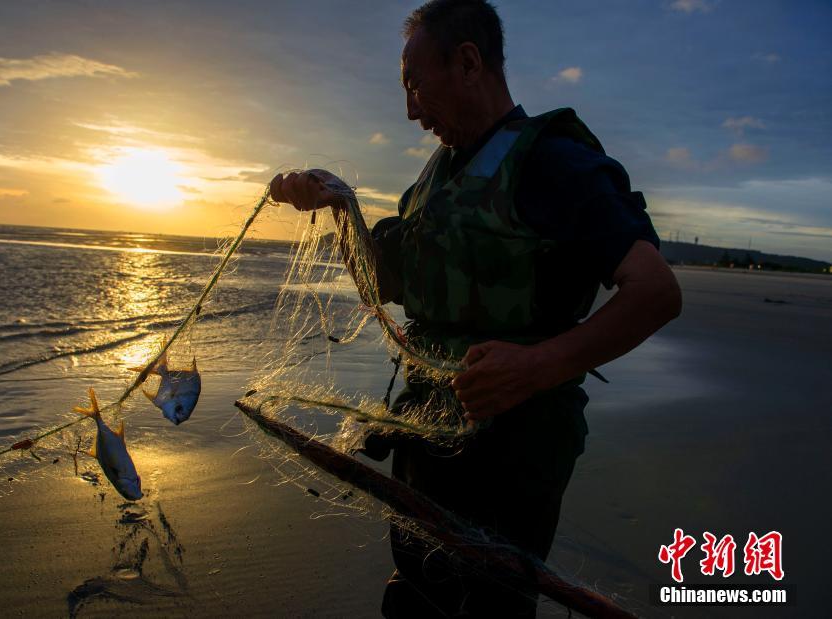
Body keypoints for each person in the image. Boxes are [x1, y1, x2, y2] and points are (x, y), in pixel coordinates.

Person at [269, 1, 682, 616]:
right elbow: (382, 281)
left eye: (415, 85)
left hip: (516, 452)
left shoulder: (555, 162)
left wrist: (539, 365)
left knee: (489, 606)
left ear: (467, 62)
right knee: (415, 592)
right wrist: (339, 204)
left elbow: (656, 291)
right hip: (423, 428)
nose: (410, 110)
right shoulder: (437, 179)